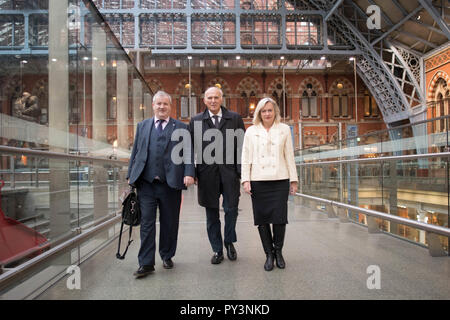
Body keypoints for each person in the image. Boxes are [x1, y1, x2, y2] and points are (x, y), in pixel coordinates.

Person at [127, 91, 195, 278]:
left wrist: (189, 173)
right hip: (146, 184)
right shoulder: (142, 126)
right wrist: (130, 175)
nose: (162, 107)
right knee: (147, 224)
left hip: (170, 184)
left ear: (170, 107)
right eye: (159, 104)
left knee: (169, 222)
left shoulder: (181, 127)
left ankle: (167, 255)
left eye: (165, 104)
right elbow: (136, 152)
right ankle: (146, 263)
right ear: (153, 106)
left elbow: (188, 152)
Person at [189, 86, 245, 264]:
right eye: (209, 98)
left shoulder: (235, 119)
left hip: (230, 174)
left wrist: (240, 173)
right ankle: (217, 250)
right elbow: (189, 149)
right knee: (211, 215)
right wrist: (192, 172)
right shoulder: (196, 121)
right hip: (207, 175)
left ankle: (229, 242)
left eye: (216, 97)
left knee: (231, 210)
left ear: (222, 99)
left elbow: (241, 147)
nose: (213, 101)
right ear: (204, 100)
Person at [241, 97, 298, 271]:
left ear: (275, 112)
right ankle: (268, 254)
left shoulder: (284, 130)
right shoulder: (251, 131)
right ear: (259, 112)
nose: (267, 113)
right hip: (258, 180)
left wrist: (293, 180)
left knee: (280, 219)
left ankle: (278, 252)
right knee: (262, 219)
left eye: (270, 110)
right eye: (264, 110)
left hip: (280, 179)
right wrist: (245, 180)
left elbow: (289, 155)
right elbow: (246, 156)